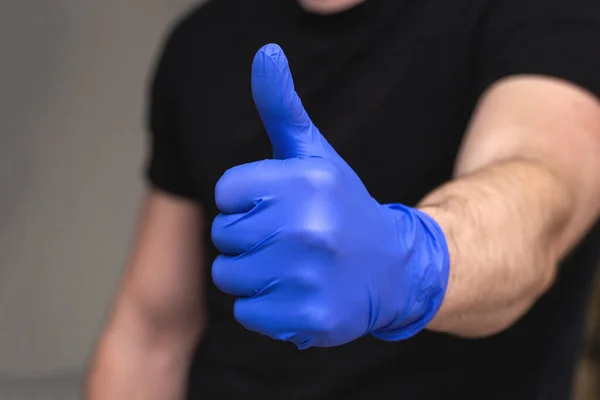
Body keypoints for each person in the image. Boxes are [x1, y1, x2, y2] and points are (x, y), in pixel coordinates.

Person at [85, 0, 600, 398]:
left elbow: (539, 194)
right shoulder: (200, 41)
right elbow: (152, 334)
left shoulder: (544, 12)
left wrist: (414, 261)